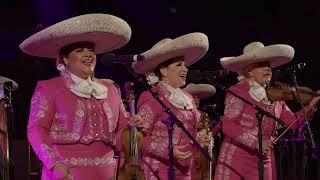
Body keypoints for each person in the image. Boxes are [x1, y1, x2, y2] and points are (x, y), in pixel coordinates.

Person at [19, 14, 142, 180]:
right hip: (66, 171)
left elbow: (120, 134)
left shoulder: (111, 89)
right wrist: (54, 163)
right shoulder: (49, 88)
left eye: (91, 50)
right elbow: (36, 130)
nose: (88, 55)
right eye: (79, 50)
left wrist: (131, 128)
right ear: (65, 59)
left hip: (109, 172)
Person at [215, 42, 320, 180]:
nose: (268, 68)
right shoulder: (238, 91)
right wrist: (256, 143)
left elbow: (293, 122)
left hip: (264, 160)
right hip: (236, 160)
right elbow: (228, 125)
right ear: (249, 71)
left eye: (268, 65)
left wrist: (311, 105)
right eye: (261, 65)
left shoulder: (276, 97)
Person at [132, 32, 209, 179]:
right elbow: (138, 138)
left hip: (185, 170)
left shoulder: (188, 98)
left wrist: (198, 138)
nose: (185, 69)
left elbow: (189, 132)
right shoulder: (152, 97)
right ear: (163, 70)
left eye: (185, 65)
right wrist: (167, 150)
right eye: (179, 65)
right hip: (158, 170)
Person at [183, 83, 217, 180]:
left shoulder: (204, 115)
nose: (196, 100)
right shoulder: (185, 114)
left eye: (198, 98)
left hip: (204, 152)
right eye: (194, 97)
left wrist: (218, 126)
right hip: (192, 151)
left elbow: (208, 133)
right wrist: (194, 126)